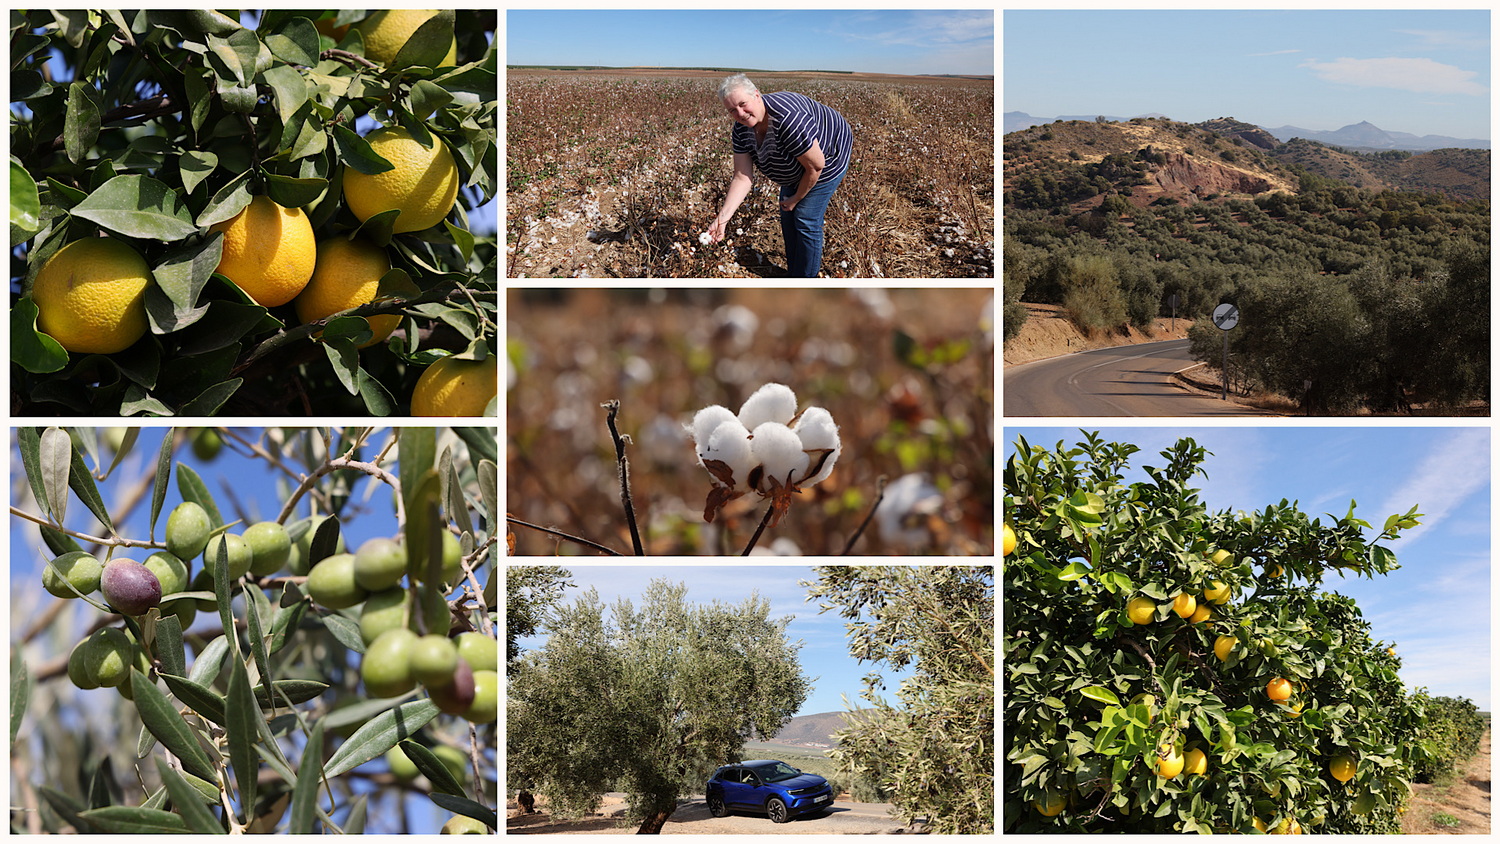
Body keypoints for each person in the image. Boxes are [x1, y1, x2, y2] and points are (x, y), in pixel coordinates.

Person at [707, 74, 852, 278]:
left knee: (805, 218)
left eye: (743, 104)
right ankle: (794, 273)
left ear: (757, 95)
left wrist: (796, 198)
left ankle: (804, 281)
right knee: (787, 216)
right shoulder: (741, 129)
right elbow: (742, 176)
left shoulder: (788, 120)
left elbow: (815, 167)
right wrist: (723, 219)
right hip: (804, 158)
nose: (740, 113)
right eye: (732, 110)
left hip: (829, 153)